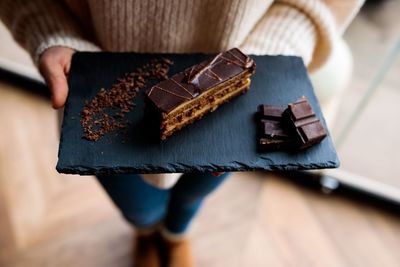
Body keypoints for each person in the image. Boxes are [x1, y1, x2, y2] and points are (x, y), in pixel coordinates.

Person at [0, 1, 364, 266]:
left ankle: (175, 234)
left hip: (233, 114)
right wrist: (51, 33)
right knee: (138, 207)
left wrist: (267, 55)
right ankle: (145, 232)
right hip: (104, 106)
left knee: (193, 196)